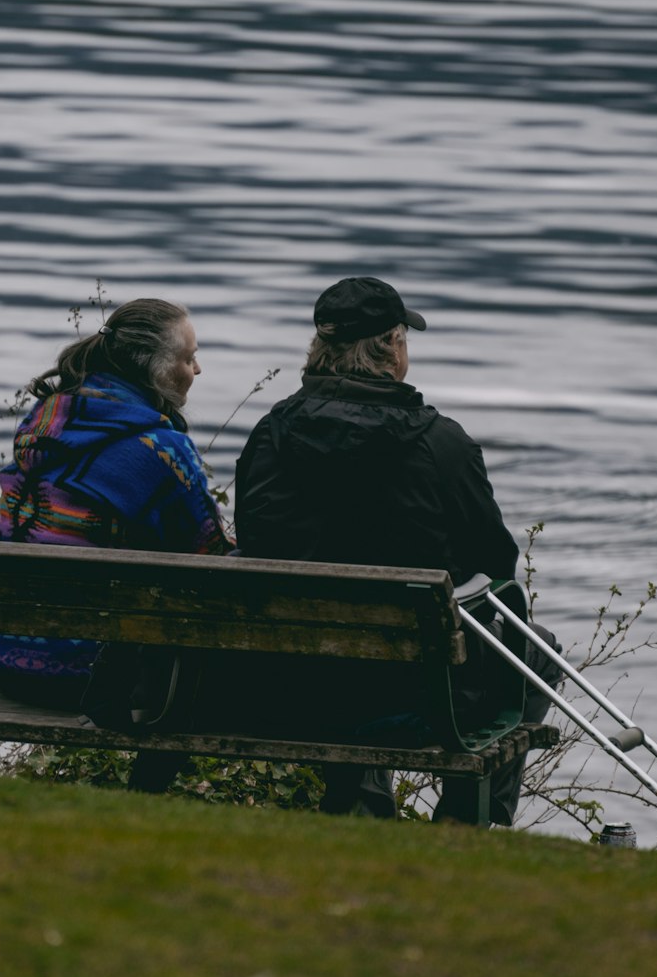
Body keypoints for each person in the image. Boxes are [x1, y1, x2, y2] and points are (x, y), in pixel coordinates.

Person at [234, 276, 557, 823]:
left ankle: (364, 810)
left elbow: (255, 543)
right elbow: (497, 566)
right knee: (536, 649)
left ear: (321, 349)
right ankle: (464, 822)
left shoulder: (269, 436)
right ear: (391, 348)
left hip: (288, 686)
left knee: (346, 640)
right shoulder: (441, 444)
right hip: (419, 698)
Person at [0, 299, 230, 785]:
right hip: (86, 676)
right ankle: (149, 795)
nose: (197, 367)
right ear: (153, 369)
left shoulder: (44, 419)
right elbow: (213, 559)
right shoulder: (160, 448)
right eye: (187, 356)